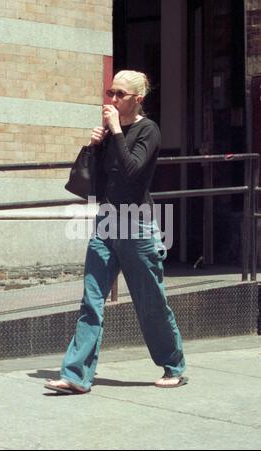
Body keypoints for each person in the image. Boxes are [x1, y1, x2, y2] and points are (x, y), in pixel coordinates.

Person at [44, 70, 187, 394]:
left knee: (149, 300)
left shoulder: (148, 130)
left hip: (137, 223)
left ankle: (174, 365)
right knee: (91, 299)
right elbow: (97, 181)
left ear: (138, 98)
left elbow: (134, 171)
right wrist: (95, 146)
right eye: (110, 93)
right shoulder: (112, 134)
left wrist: (116, 131)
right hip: (106, 219)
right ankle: (76, 375)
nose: (112, 100)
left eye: (120, 94)